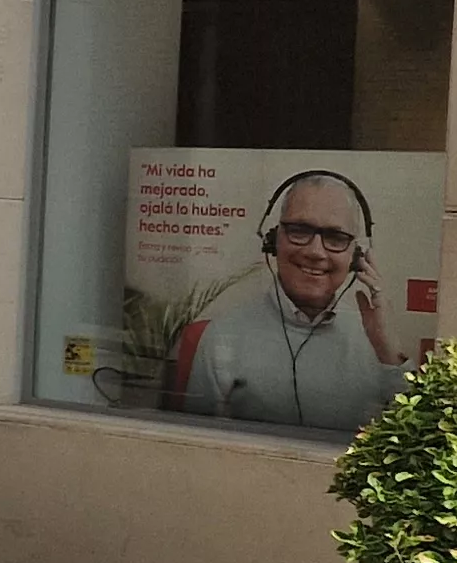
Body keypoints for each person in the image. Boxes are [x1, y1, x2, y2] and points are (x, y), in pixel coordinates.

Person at [171, 168, 407, 431]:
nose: (316, 251)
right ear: (273, 241)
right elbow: (194, 450)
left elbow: (418, 441)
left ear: (356, 255)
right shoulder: (222, 337)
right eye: (300, 230)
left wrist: (388, 351)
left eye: (335, 237)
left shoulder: (378, 343)